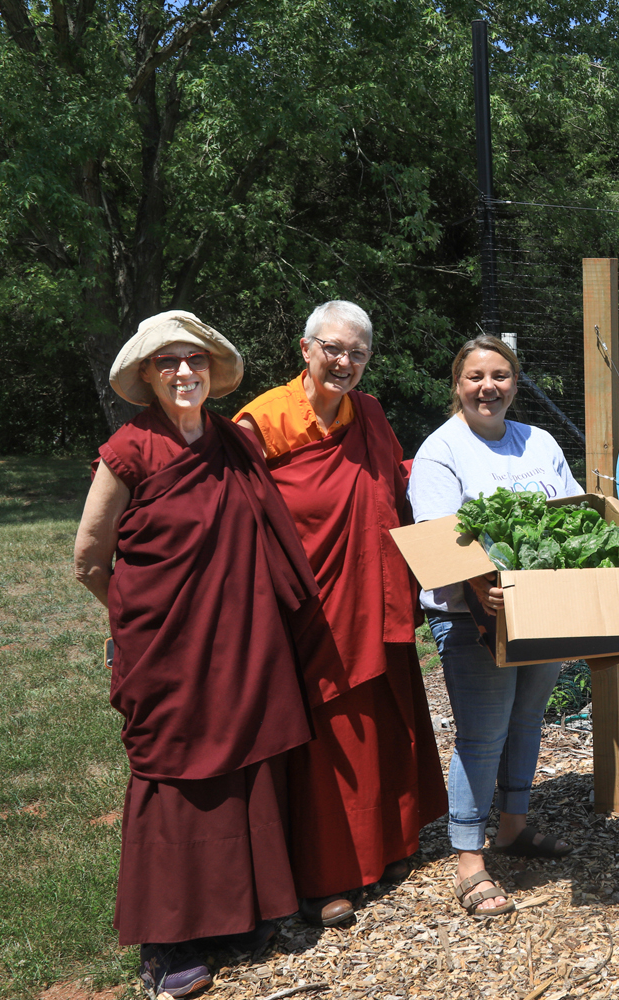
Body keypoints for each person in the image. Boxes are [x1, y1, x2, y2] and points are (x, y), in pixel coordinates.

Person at [73, 311, 318, 999]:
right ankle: (168, 940)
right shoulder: (129, 450)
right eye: (168, 362)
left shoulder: (232, 445)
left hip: (243, 642)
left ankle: (237, 917)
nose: (185, 372)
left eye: (196, 360)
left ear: (212, 370)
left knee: (246, 770)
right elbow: (91, 559)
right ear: (147, 376)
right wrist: (141, 624)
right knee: (174, 778)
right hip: (166, 647)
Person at [234, 301, 447, 927]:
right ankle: (328, 874)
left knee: (385, 720)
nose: (344, 361)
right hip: (311, 605)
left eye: (357, 352)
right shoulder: (263, 420)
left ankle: (390, 845)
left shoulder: (371, 414)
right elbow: (234, 509)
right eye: (333, 348)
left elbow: (399, 480)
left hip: (377, 593)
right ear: (305, 348)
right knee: (329, 735)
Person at [407, 334, 581, 917]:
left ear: (515, 383)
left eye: (501, 376)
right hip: (470, 617)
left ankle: (513, 828)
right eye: (476, 376)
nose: (489, 387)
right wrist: (483, 587)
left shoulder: (539, 441)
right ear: (457, 384)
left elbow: (574, 517)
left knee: (527, 720)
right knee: (482, 735)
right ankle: (468, 859)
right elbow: (440, 540)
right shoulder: (442, 450)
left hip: (543, 608)